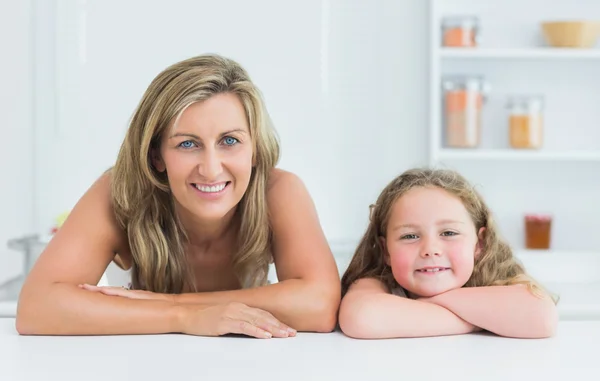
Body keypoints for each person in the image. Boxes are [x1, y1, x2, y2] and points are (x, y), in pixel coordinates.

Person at [16, 54, 341, 338]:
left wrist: (174, 303)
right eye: (188, 144)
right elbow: (38, 306)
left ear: (254, 149)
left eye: (229, 141)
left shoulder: (278, 191)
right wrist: (185, 318)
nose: (211, 170)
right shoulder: (121, 191)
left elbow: (320, 303)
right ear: (157, 156)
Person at [339, 167, 558, 339]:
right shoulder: (379, 284)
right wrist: (480, 320)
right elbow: (361, 316)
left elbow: (543, 316)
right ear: (386, 250)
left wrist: (425, 308)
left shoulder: (493, 279)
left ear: (479, 243)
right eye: (410, 236)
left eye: (449, 232)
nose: (430, 250)